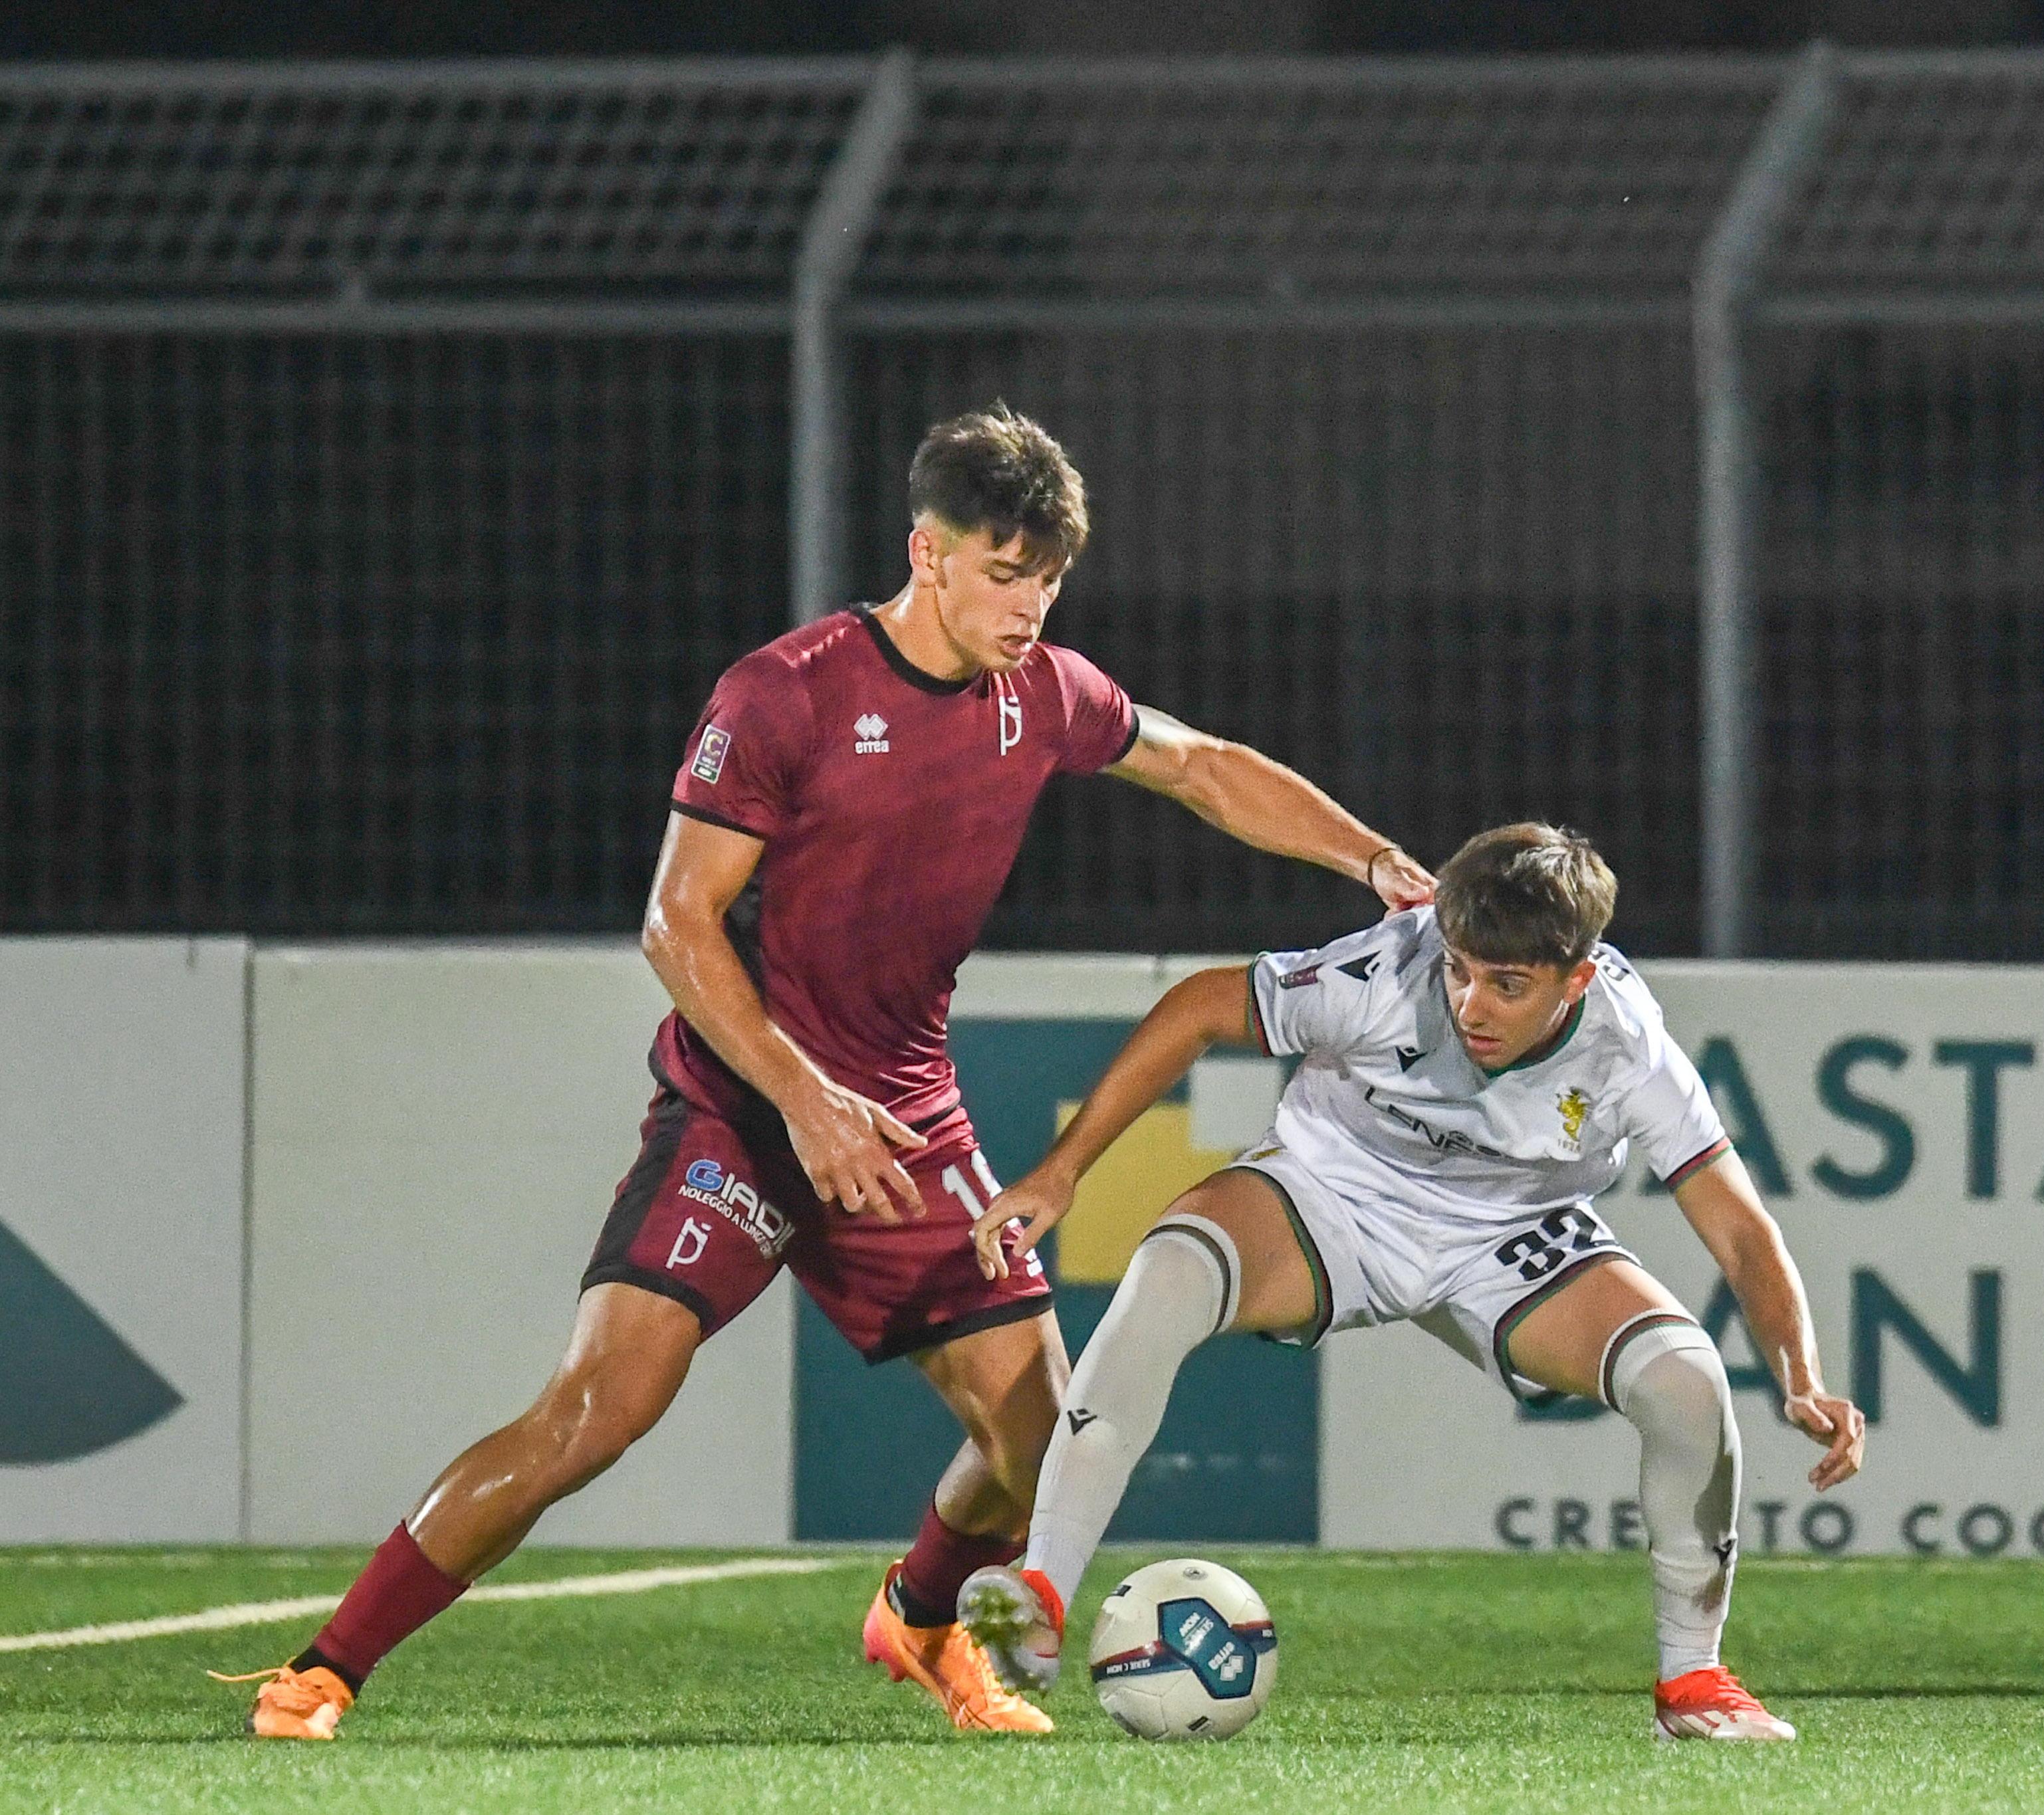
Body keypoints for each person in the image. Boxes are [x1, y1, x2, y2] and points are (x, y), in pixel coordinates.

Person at [225, 403, 1433, 1740]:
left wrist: (1372, 861)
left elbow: (1200, 768)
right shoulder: (784, 694)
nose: (1028, 607)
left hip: (905, 1114)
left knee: (1046, 1445)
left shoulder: (1043, 694)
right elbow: (674, 925)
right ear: (926, 552)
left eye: (1047, 579)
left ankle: (917, 1619)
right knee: (595, 1413)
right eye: (1001, 572)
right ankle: (326, 1665)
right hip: (740, 1113)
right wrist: (801, 1098)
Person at [953, 823, 1866, 1739]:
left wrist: (1799, 1376)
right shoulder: (1386, 972)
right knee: (1172, 1269)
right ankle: (1042, 1595)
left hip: (1508, 1236)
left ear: (1576, 981)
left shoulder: (1627, 1046)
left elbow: (1741, 1230)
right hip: (1332, 1192)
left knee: (1687, 1380)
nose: (1473, 1001)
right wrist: (1064, 1169)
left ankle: (1693, 1684)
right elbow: (1198, 1006)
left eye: (1509, 986)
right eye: (1460, 969)